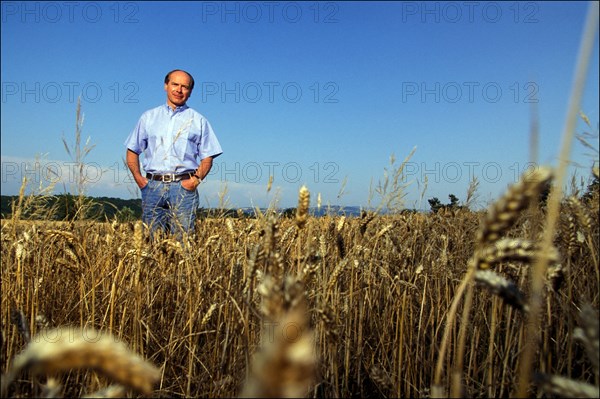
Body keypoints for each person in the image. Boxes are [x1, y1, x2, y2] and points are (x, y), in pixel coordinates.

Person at [125, 69, 222, 239]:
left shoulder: (199, 120)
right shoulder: (148, 117)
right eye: (175, 84)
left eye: (185, 87)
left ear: (190, 92)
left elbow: (208, 157)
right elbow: (132, 150)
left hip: (183, 188)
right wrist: (140, 180)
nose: (179, 90)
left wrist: (194, 181)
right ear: (166, 86)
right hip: (152, 187)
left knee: (183, 243)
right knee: (152, 242)